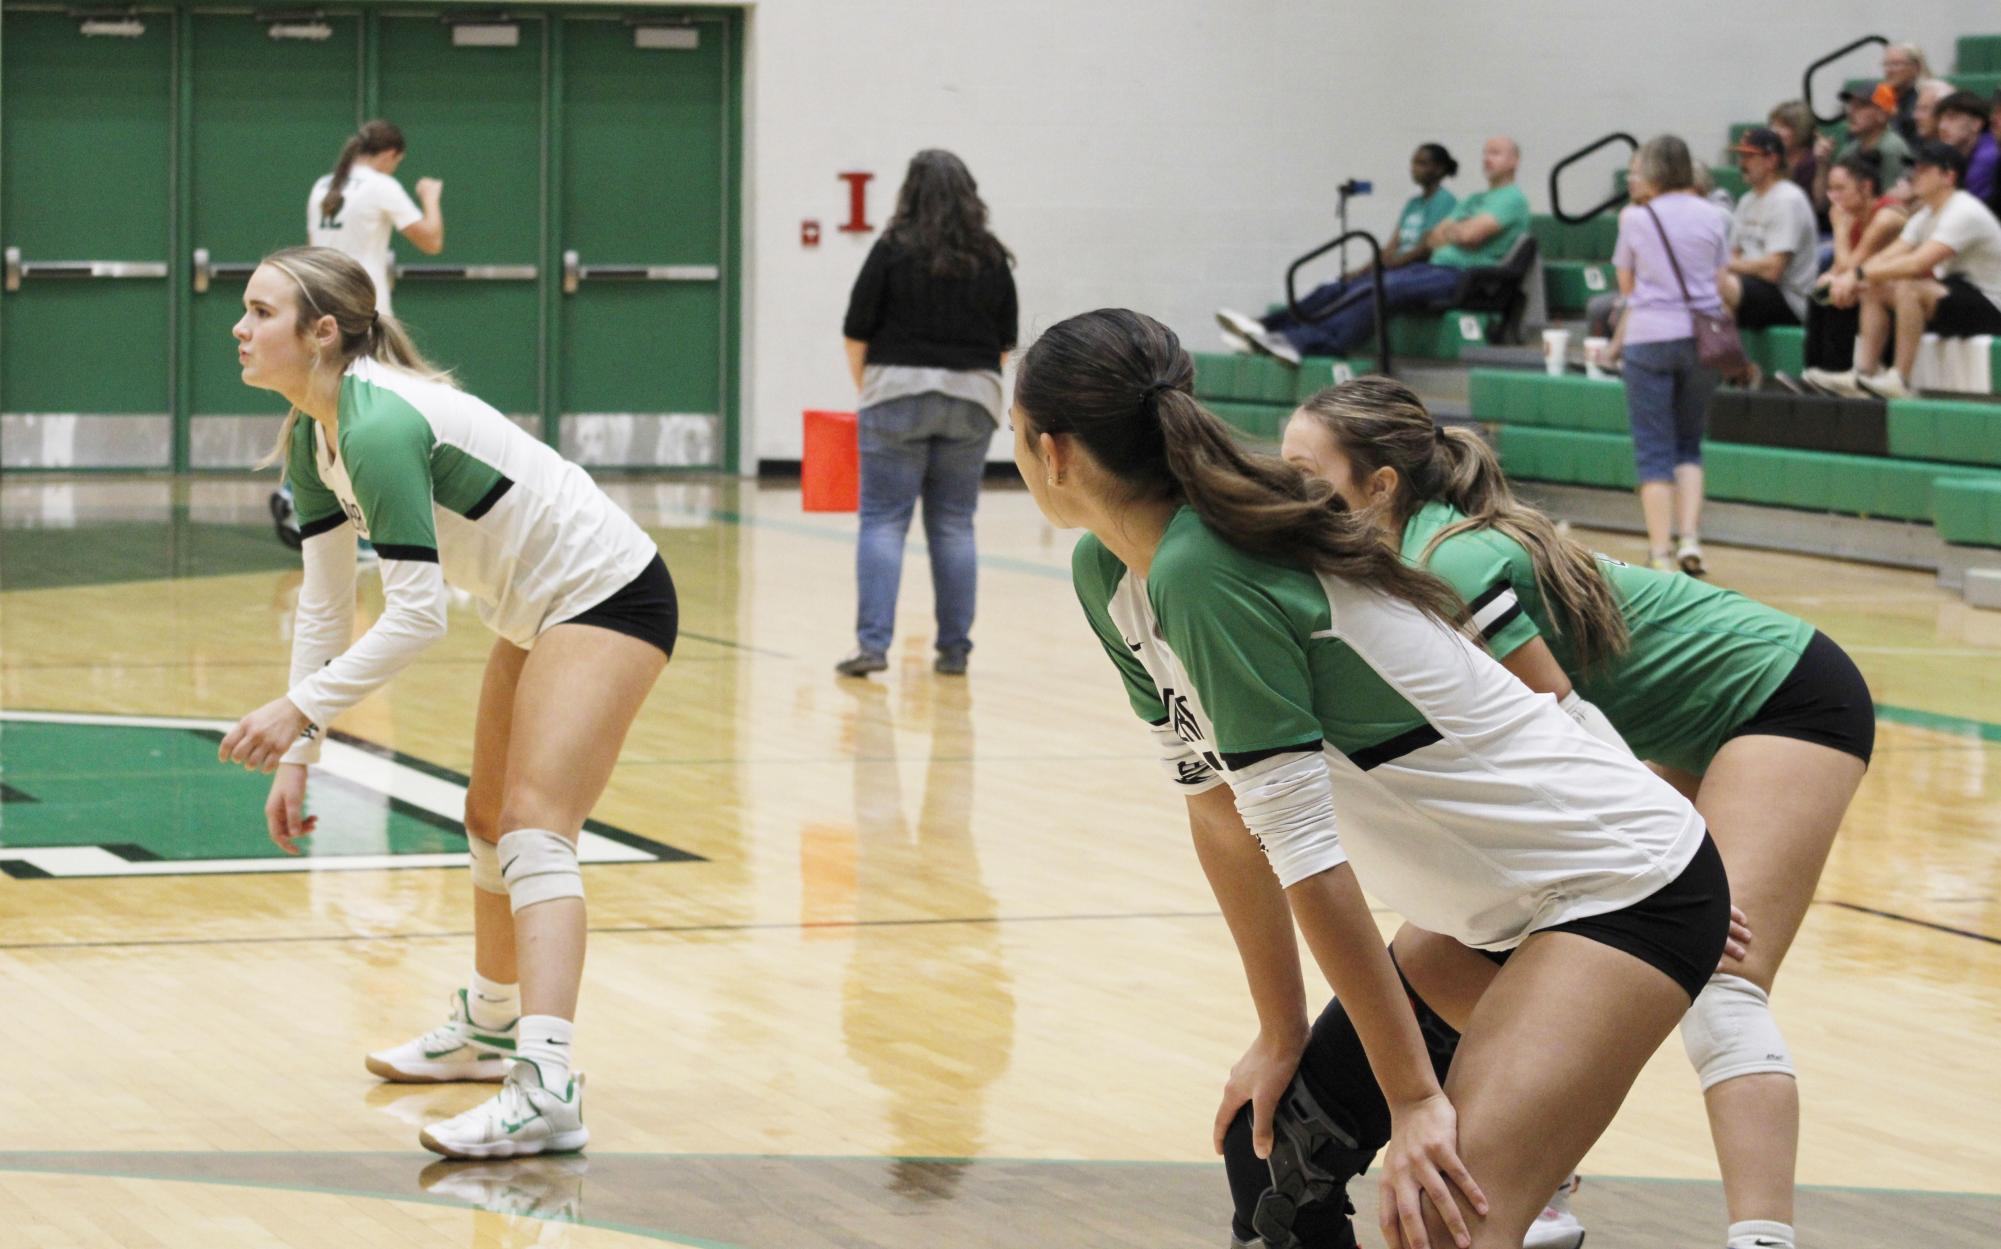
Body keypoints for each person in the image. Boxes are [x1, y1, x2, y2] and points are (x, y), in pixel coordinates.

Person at [1013, 307, 1730, 1249]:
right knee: (1273, 1161)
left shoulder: (1204, 570)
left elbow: (1306, 855)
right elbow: (1223, 816)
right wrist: (1278, 1032)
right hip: (1498, 904)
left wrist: (1413, 1099)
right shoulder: (1109, 571)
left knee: (1438, 1213)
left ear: (1053, 452)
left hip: (1618, 887)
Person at [1275, 376, 1874, 1249]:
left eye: (1305, 470)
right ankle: (1542, 1180)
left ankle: (1762, 1239)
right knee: (1486, 960)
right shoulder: (1407, 559)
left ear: (1380, 486)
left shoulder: (1445, 561)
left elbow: (1560, 717)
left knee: (1720, 980)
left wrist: (1684, 872)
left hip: (1779, 696)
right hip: (1665, 721)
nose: (1285, 489)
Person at [217, 246, 675, 1160]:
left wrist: (297, 712)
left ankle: (547, 1085)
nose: (239, 326)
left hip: (606, 591)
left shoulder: (379, 422)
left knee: (536, 826)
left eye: (260, 311)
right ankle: (490, 1026)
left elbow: (417, 616)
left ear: (321, 333)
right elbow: (325, 599)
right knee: (485, 813)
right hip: (535, 605)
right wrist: (301, 753)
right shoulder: (314, 435)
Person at [836, 150, 1017, 679]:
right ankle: (955, 650)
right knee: (955, 525)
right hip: (973, 399)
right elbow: (1005, 343)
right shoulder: (991, 258)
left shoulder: (891, 250)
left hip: (894, 394)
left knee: (883, 523)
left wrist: (871, 391)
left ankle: (872, 646)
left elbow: (855, 331)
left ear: (908, 193)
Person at [1226, 137, 1530, 364]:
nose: (1487, 158)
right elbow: (1438, 236)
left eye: (1496, 153)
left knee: (1381, 286)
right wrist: (1454, 233)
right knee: (1358, 284)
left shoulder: (1511, 199)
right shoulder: (1475, 198)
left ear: (1514, 160)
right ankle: (1271, 332)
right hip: (1435, 267)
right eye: (1485, 152)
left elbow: (1469, 235)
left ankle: (1307, 342)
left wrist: (1455, 232)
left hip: (1463, 276)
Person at [1603, 136, 1728, 576]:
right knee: (1689, 444)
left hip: (1650, 336)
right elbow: (1721, 278)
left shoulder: (1635, 218)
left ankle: (1659, 554)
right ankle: (1691, 539)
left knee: (1653, 450)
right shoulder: (1713, 214)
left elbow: (1628, 290)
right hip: (1702, 337)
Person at [1218, 144, 1460, 354]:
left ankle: (1292, 337)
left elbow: (1425, 248)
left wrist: (1385, 268)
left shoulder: (1445, 201)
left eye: (1422, 163)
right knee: (1331, 288)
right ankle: (1265, 327)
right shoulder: (1413, 203)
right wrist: (1363, 270)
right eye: (1413, 162)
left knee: (1354, 294)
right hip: (1391, 269)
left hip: (1413, 273)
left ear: (1438, 169)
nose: (1414, 168)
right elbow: (1390, 247)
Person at [1804, 143, 2001, 398]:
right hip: (1960, 293)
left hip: (1993, 304)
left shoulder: (1964, 210)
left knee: (1908, 287)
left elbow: (1918, 263)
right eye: (1914, 168)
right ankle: (1864, 373)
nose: (1914, 175)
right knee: (1873, 289)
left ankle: (1900, 379)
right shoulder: (1926, 215)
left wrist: (1857, 274)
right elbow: (1890, 255)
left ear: (1948, 176)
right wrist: (1852, 278)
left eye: (1923, 169)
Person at [308, 119, 444, 318]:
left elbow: (312, 245)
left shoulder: (322, 185)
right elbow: (432, 242)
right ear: (390, 154)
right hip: (363, 300)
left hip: (321, 298)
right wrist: (430, 198)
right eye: (397, 162)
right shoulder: (380, 185)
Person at [1802, 155, 1908, 375]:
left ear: (1866, 187)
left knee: (1839, 293)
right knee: (1820, 294)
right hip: (1870, 286)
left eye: (1840, 188)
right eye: (1830, 189)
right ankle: (1814, 372)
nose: (1833, 196)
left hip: (1901, 292)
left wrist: (1839, 230)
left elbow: (1850, 268)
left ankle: (1836, 372)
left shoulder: (1886, 217)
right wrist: (1826, 279)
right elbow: (1840, 271)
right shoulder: (1854, 215)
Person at [1720, 129, 1819, 329]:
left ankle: (1725, 357)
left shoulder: (1788, 199)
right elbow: (1734, 253)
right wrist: (1728, 265)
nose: (1742, 163)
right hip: (1753, 286)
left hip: (1788, 298)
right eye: (1741, 156)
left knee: (1718, 284)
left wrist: (1726, 265)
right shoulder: (1747, 200)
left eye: (1749, 156)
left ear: (1771, 161)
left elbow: (1773, 270)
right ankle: (1721, 356)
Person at [1937, 90, 1999, 204]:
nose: (1942, 126)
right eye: (1941, 119)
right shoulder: (1955, 154)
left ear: (1976, 123)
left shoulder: (1987, 157)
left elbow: (1965, 208)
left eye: (1952, 117)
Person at [1765, 101, 1817, 199]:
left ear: (1801, 130)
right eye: (1773, 125)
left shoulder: (1810, 163)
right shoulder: (1772, 158)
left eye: (1783, 126)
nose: (1776, 131)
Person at [1881, 42, 1928, 146]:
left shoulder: (1925, 99)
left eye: (1896, 64)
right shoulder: (1880, 96)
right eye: (1886, 64)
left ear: (1915, 68)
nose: (1889, 70)